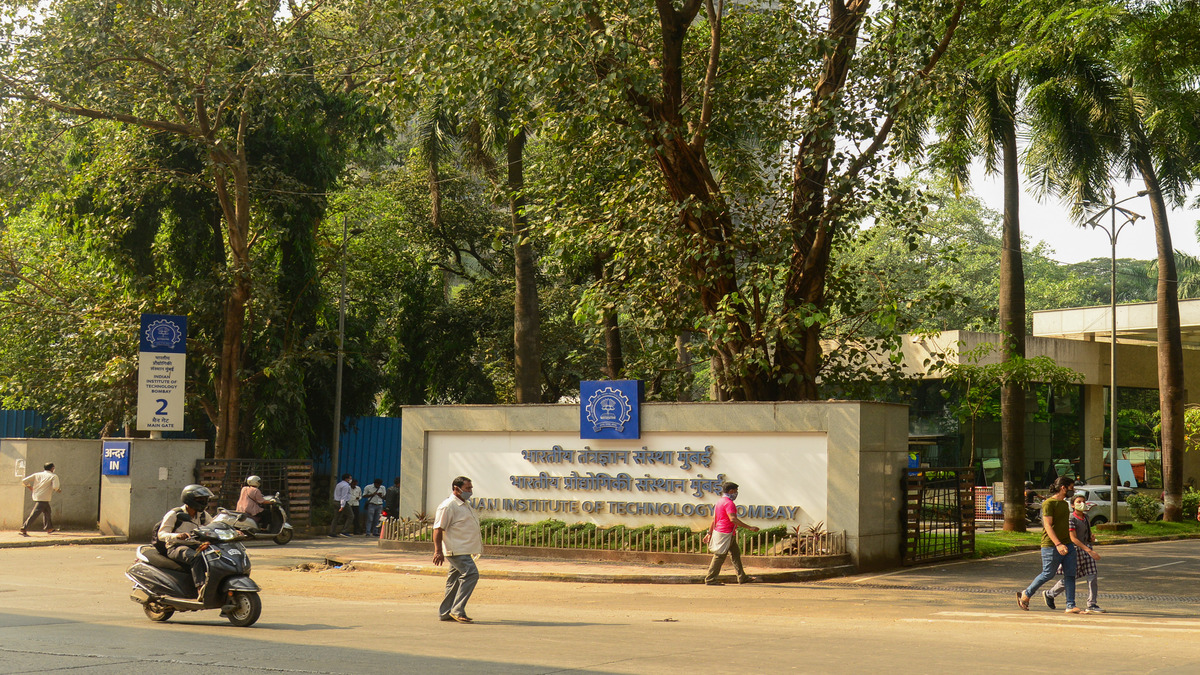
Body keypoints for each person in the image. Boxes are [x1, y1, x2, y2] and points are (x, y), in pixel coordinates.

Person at [1017, 476, 1080, 614]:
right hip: (1051, 545)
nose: (1073, 490)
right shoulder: (1049, 504)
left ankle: (1070, 605)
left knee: (1070, 575)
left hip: (1067, 545)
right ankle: (1026, 594)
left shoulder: (1064, 504)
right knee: (1048, 573)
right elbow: (1047, 525)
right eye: (1071, 487)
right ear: (1063, 487)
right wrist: (1058, 544)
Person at [433, 476, 482, 623]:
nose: (470, 491)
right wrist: (438, 551)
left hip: (464, 549)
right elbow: (438, 529)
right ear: (456, 488)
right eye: (467, 488)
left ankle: (446, 612)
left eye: (471, 488)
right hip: (456, 550)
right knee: (471, 574)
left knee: (454, 581)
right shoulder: (448, 506)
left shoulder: (464, 504)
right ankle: (458, 609)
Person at [1044, 494, 1104, 613]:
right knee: (1071, 576)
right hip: (1076, 550)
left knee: (1092, 575)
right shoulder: (1071, 518)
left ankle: (1092, 603)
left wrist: (1091, 538)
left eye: (1083, 501)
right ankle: (1050, 593)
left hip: (1086, 548)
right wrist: (1089, 551)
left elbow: (1088, 533)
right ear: (1072, 505)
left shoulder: (1086, 517)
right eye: (1078, 501)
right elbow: (1073, 538)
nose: (1082, 503)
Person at [154, 484, 215, 592]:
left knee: (216, 556)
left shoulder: (203, 515)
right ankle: (201, 588)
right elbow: (162, 534)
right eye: (200, 499)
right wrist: (177, 536)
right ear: (189, 499)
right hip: (176, 547)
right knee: (196, 557)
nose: (203, 501)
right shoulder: (175, 514)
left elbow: (214, 526)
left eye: (205, 499)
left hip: (195, 545)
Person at [701, 481, 760, 585]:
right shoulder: (729, 503)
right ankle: (710, 579)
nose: (736, 493)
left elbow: (714, 519)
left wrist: (709, 533)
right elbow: (733, 519)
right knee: (719, 556)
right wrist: (749, 527)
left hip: (725, 533)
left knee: (735, 554)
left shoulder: (719, 502)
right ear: (731, 491)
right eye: (736, 491)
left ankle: (742, 577)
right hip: (725, 533)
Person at [19, 462, 62, 536]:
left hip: (37, 495)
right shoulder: (53, 476)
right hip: (44, 497)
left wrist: (30, 488)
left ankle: (49, 528)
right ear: (52, 468)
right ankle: (24, 527)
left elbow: (24, 481)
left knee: (47, 511)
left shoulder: (37, 474)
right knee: (35, 513)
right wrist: (58, 490)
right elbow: (55, 487)